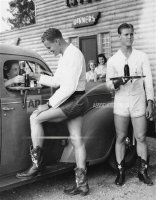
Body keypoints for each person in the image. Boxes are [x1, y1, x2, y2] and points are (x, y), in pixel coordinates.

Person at [16, 28, 89, 196]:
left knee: (36, 118)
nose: (50, 51)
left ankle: (37, 164)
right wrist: (37, 76)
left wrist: (47, 105)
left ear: (57, 41)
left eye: (50, 47)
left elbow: (68, 88)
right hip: (75, 100)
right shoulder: (66, 55)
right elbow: (57, 81)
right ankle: (82, 185)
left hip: (73, 100)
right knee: (77, 140)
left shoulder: (73, 55)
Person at [106, 23, 154, 186]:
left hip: (138, 100)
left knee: (140, 137)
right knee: (120, 137)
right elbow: (108, 84)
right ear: (119, 36)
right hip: (121, 102)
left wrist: (150, 102)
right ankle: (121, 172)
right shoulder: (113, 60)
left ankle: (143, 171)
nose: (129, 37)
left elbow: (148, 81)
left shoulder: (142, 56)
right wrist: (118, 82)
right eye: (126, 34)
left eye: (131, 34)